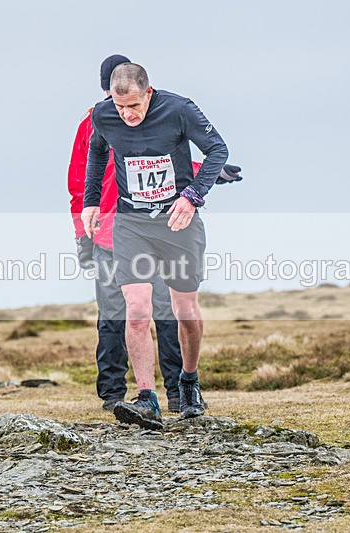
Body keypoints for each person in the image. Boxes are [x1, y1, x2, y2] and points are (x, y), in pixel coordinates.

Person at [68, 55, 242, 413]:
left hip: (176, 224)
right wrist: (90, 204)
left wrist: (193, 195)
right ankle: (145, 397)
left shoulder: (179, 110)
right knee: (134, 311)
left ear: (148, 93)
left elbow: (216, 150)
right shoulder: (102, 116)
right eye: (120, 106)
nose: (127, 114)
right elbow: (96, 157)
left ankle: (188, 384)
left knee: (182, 309)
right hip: (129, 225)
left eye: (133, 105)